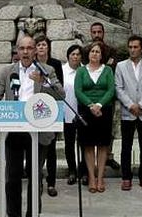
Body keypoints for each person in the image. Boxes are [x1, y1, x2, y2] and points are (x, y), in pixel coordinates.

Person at [0, 35, 64, 217]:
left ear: (35, 51)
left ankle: (33, 213)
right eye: (22, 48)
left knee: (35, 177)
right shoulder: (7, 71)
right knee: (12, 177)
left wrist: (42, 82)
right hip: (13, 131)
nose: (25, 52)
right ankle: (13, 213)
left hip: (38, 131)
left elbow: (61, 95)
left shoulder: (47, 70)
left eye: (29, 48)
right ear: (17, 50)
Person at [115, 35, 142, 191]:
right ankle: (126, 178)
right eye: (130, 47)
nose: (133, 50)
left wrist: (141, 105)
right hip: (128, 112)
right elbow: (118, 88)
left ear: (141, 48)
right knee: (126, 146)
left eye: (135, 47)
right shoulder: (120, 66)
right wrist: (130, 105)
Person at [75, 41, 116, 193]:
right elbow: (78, 91)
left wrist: (99, 105)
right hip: (86, 112)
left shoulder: (108, 71)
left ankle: (100, 178)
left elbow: (111, 90)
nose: (94, 54)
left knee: (102, 145)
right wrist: (91, 105)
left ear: (101, 55)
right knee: (89, 145)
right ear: (88, 54)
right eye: (92, 51)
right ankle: (91, 177)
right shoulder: (81, 71)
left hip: (104, 111)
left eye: (98, 52)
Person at [86, 22, 120, 173]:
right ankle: (89, 163)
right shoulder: (86, 50)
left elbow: (110, 69)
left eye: (99, 32)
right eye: (94, 32)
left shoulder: (111, 51)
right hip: (89, 98)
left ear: (103, 33)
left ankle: (108, 156)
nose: (97, 34)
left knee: (108, 129)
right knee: (90, 131)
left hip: (107, 98)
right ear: (90, 33)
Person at [35, 35, 63, 197]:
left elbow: (59, 89)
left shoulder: (55, 65)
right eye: (38, 45)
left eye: (43, 45)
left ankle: (51, 183)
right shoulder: (31, 65)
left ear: (48, 47)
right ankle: (37, 180)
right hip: (35, 110)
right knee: (37, 149)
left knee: (51, 148)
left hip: (52, 109)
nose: (41, 47)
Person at [62, 44, 83, 185]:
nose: (75, 57)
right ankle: (72, 171)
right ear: (68, 56)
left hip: (82, 112)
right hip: (66, 111)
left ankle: (84, 171)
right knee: (69, 143)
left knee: (83, 143)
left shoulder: (85, 70)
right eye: (73, 54)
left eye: (78, 54)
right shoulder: (62, 70)